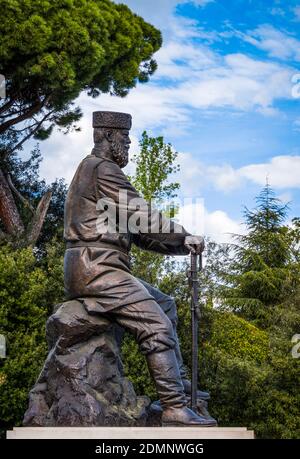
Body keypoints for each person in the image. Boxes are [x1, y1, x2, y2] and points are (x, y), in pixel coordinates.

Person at [64, 111, 216, 427]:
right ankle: (175, 408)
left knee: (165, 304)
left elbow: (139, 232)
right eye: (125, 139)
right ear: (107, 136)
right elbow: (142, 214)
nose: (129, 146)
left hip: (103, 267)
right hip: (96, 268)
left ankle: (181, 390)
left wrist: (180, 243)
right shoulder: (101, 170)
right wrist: (184, 233)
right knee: (156, 324)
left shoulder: (96, 172)